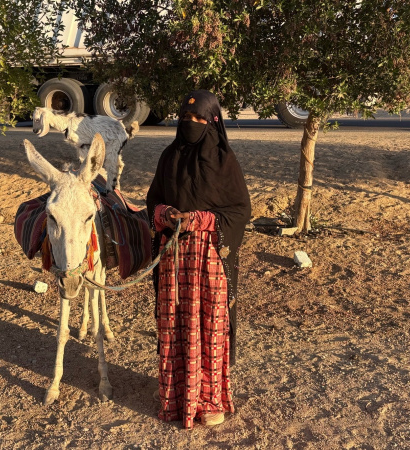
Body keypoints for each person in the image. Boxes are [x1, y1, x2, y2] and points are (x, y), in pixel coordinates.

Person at [146, 90, 251, 428]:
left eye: (198, 119)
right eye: (185, 118)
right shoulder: (169, 156)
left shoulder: (224, 161)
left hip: (209, 262)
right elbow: (153, 202)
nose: (189, 124)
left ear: (213, 122)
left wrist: (203, 220)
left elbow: (239, 210)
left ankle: (209, 401)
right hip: (174, 261)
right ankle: (177, 400)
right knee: (175, 327)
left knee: (209, 328)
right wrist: (165, 213)